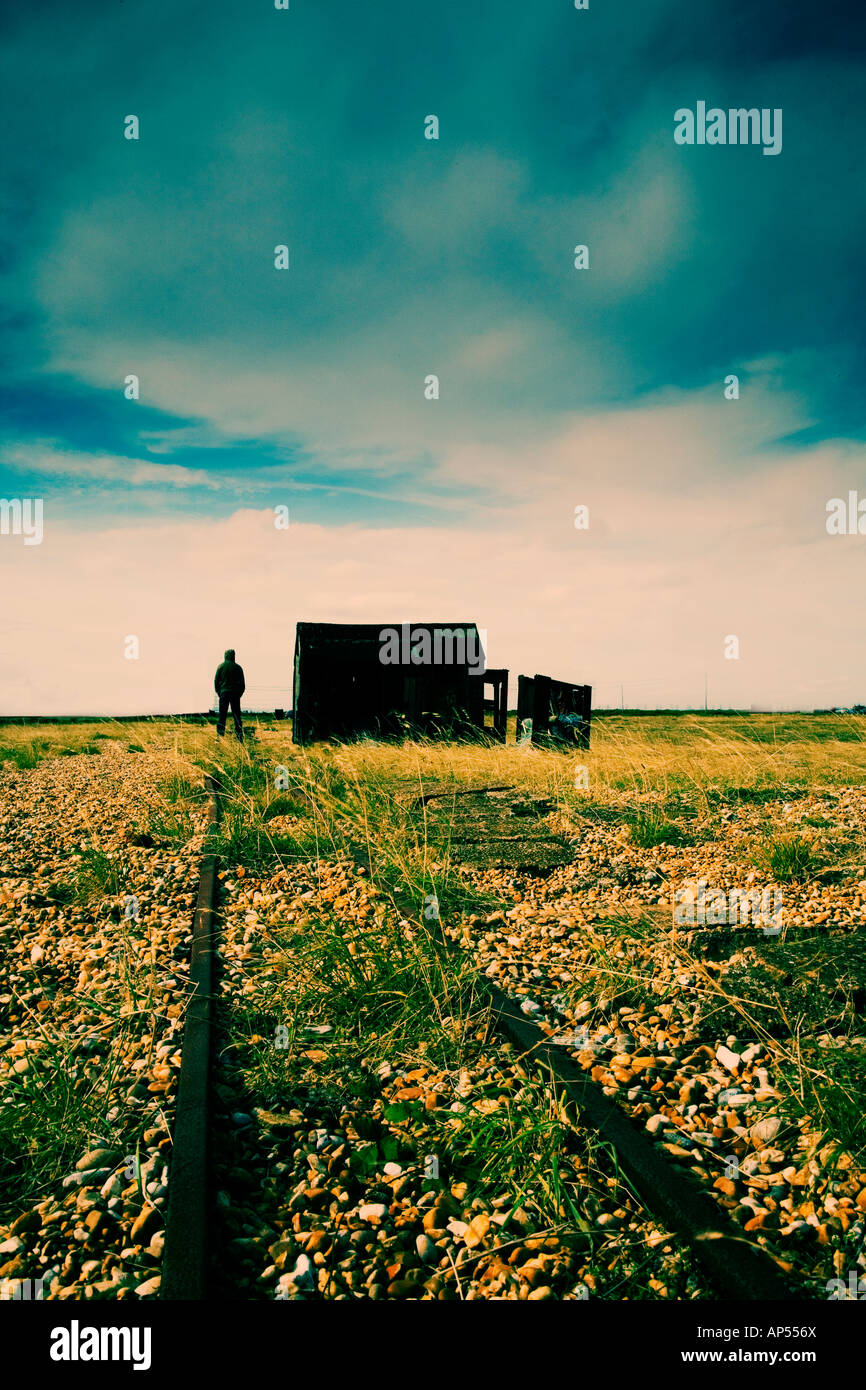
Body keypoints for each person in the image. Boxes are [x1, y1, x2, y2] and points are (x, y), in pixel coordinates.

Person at [214, 648, 245, 741]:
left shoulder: (220, 667)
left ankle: (219, 737)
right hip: (235, 694)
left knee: (222, 716)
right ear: (234, 656)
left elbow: (216, 681)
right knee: (236, 716)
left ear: (225, 656)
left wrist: (219, 692)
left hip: (224, 693)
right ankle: (239, 737)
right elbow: (242, 684)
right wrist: (239, 694)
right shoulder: (238, 668)